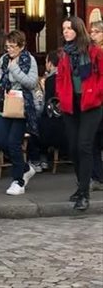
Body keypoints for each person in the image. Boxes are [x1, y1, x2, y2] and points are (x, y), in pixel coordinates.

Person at [56, 16, 103, 212]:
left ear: (78, 29)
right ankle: (80, 185)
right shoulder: (65, 54)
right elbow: (60, 78)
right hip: (71, 104)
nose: (66, 31)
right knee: (74, 148)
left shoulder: (94, 51)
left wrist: (96, 93)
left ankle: (84, 194)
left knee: (84, 146)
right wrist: (61, 96)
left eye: (69, 28)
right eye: (64, 29)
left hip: (91, 104)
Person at [0, 30, 39, 197]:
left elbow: (32, 83)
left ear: (21, 46)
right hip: (7, 105)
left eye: (13, 46)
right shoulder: (3, 60)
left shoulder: (29, 60)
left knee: (14, 142)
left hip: (23, 106)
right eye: (8, 47)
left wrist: (15, 69)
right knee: (1, 141)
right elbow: (0, 85)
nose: (10, 50)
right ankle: (25, 168)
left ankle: (18, 181)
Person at [89, 20, 103, 190]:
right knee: (93, 140)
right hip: (94, 100)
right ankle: (97, 176)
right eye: (91, 32)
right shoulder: (90, 52)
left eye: (96, 32)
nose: (93, 35)